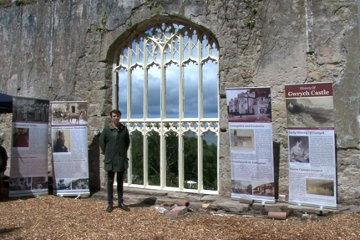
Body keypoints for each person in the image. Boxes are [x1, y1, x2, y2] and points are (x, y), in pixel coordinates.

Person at [100, 109, 130, 212]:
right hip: (111, 160)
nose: (116, 118)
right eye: (114, 116)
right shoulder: (107, 130)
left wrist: (121, 153)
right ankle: (110, 203)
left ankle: (121, 202)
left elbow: (127, 143)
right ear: (111, 117)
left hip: (121, 159)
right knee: (110, 181)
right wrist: (108, 152)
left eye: (117, 116)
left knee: (120, 181)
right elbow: (102, 142)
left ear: (120, 117)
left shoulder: (124, 129)